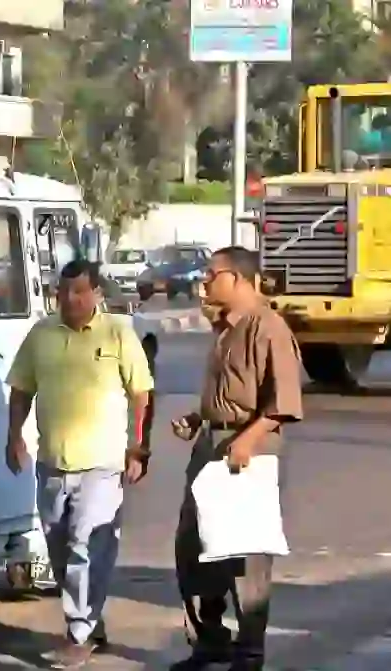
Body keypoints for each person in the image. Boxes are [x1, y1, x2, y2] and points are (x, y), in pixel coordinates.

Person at [5, 259, 155, 669]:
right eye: (63, 292)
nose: (70, 300)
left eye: (79, 292)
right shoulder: (42, 335)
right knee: (59, 551)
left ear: (97, 294)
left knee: (87, 548)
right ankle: (90, 622)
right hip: (53, 464)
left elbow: (142, 395)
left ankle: (79, 634)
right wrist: (14, 435)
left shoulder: (118, 333)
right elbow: (21, 390)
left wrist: (139, 449)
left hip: (103, 465)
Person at [169, 246, 302, 671]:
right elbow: (229, 394)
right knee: (195, 544)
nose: (204, 283)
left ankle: (250, 651)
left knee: (245, 553)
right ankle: (210, 640)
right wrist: (198, 418)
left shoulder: (269, 327)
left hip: (249, 449)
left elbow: (283, 402)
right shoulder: (224, 327)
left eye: (212, 275)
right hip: (213, 442)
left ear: (239, 278)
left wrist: (247, 440)